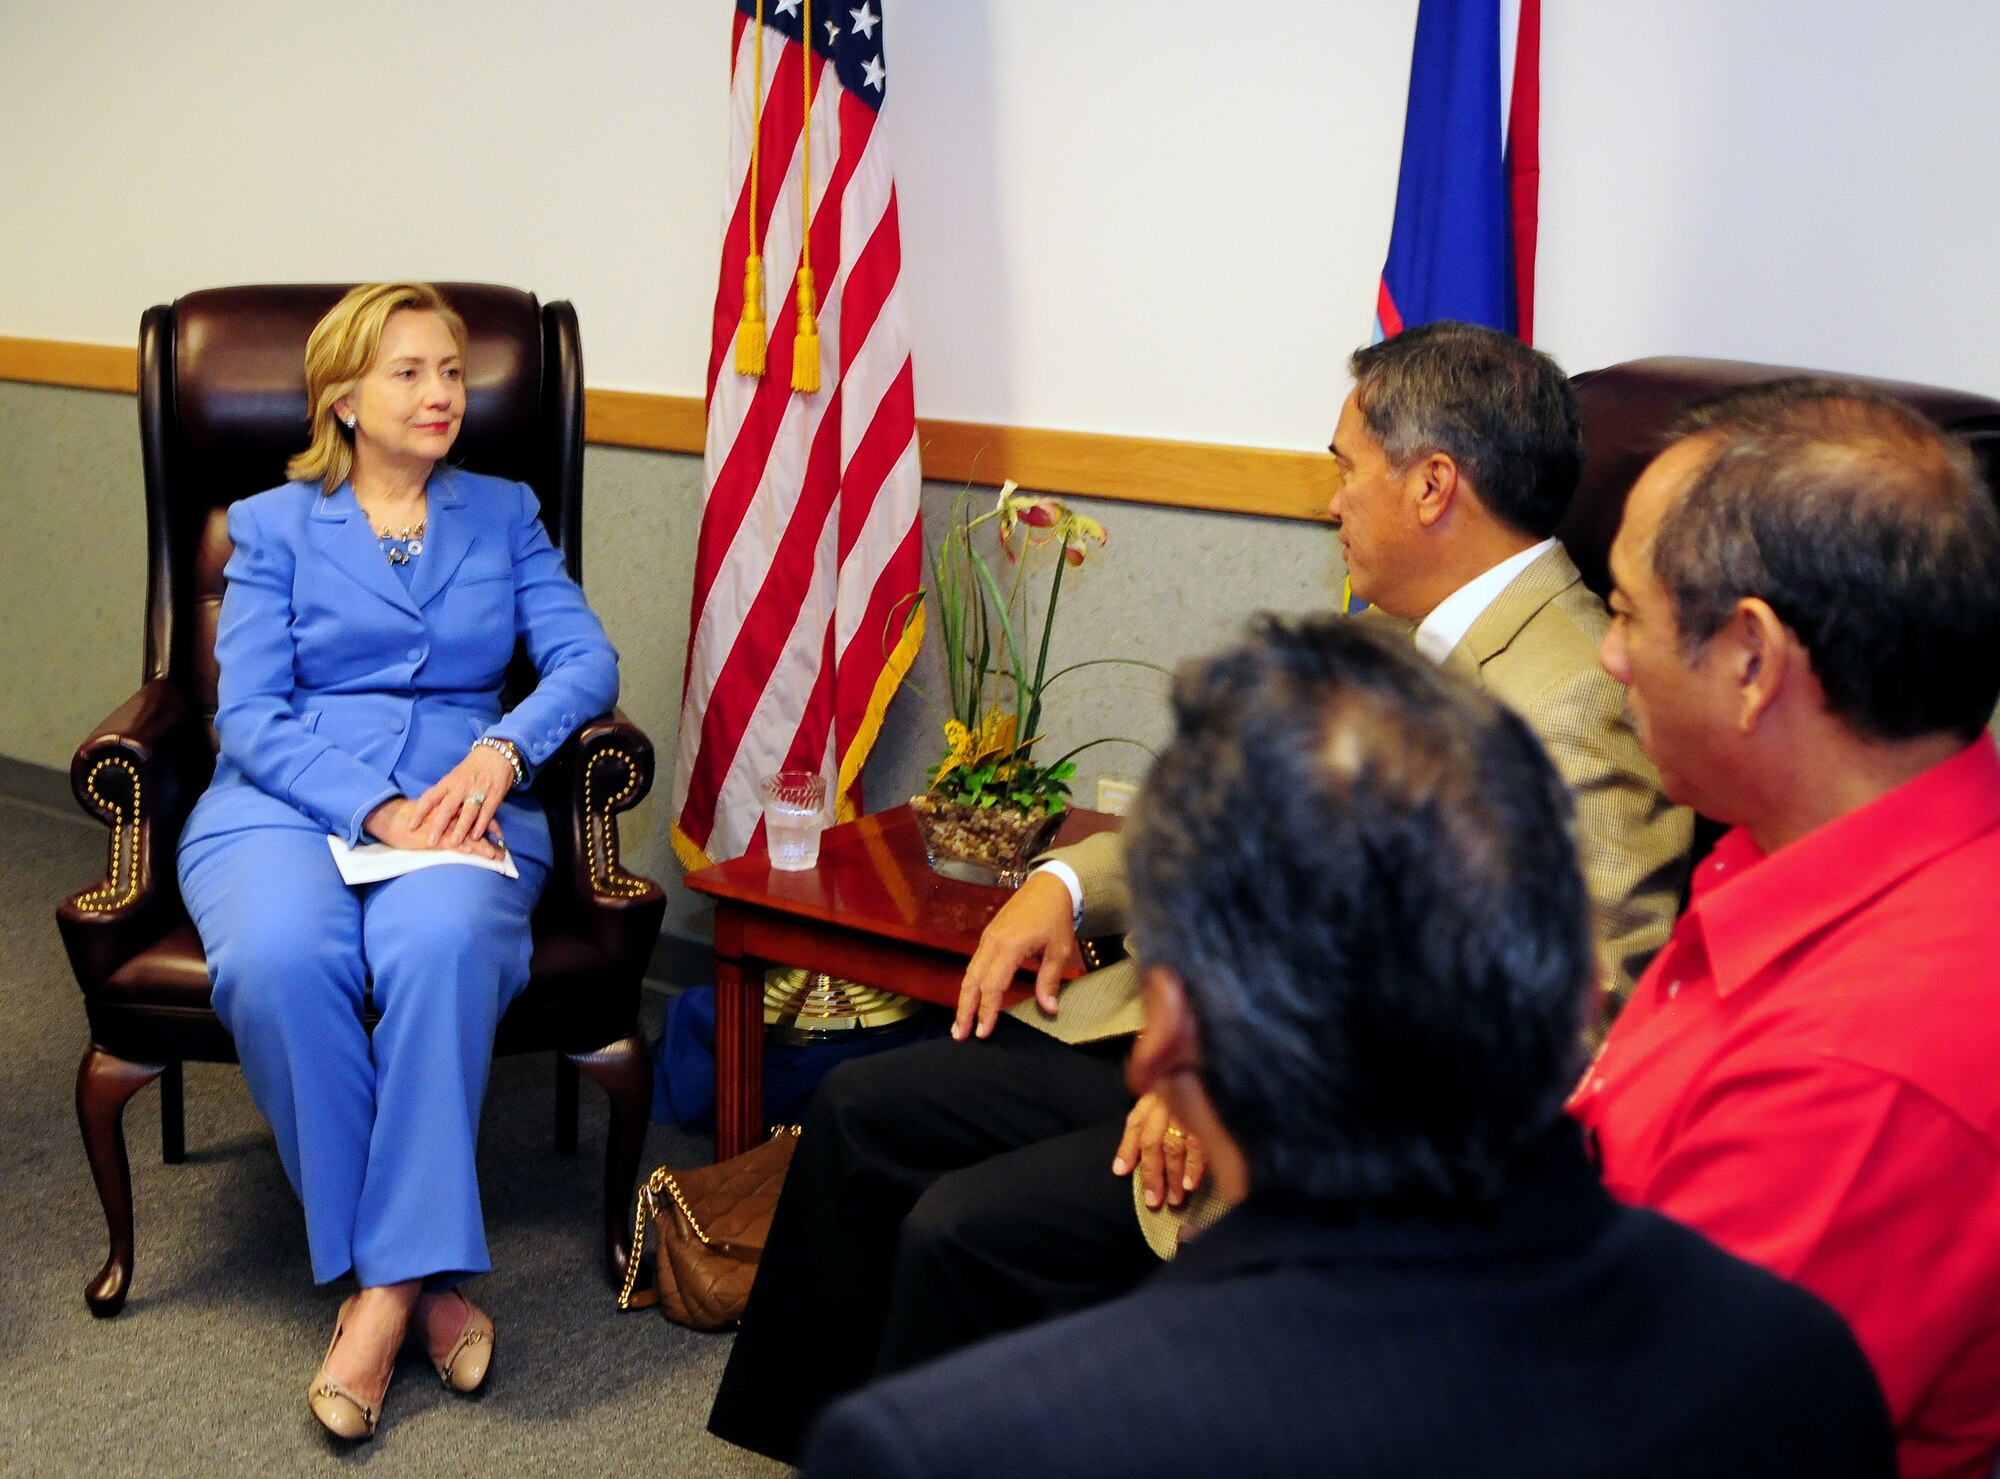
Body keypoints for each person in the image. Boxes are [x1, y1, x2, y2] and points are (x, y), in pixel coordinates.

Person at [708, 322, 1689, 1463]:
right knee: (861, 1109)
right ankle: (803, 1446)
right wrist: (1067, 883)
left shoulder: (1576, 699)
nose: (1331, 504)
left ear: (1432, 485)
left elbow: (1558, 1028)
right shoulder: (1401, 633)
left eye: (1342, 466)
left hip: (1305, 1133)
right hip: (1171, 1032)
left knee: (960, 1232)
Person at [799, 614, 1893, 1479]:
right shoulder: (1803, 1368)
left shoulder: (969, 1443)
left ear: (1169, 1038)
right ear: (1577, 992)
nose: (1614, 644)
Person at [176, 283, 618, 1440]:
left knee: (444, 943)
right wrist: (371, 806)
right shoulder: (271, 525)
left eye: (453, 373)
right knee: (276, 960)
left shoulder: (504, 511)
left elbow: (584, 662)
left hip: (460, 800)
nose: (439, 396)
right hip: (287, 798)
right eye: (408, 373)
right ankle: (418, 1281)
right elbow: (253, 716)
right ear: (343, 399)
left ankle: (375, 1303)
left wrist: (501, 749)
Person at [1570, 380, 2000, 1479]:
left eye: (1621, 613)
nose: (1608, 660)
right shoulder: (1788, 855)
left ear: (1751, 662)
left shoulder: (1865, 1062)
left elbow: (1636, 1434)